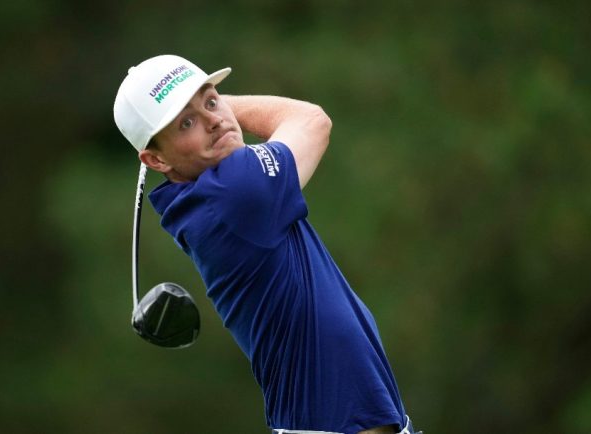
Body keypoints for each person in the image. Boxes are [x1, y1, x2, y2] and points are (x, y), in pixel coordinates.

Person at [113, 54, 421, 434]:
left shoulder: (206, 198)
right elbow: (312, 121)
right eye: (186, 123)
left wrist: (199, 107)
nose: (214, 121)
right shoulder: (236, 192)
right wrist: (221, 104)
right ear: (155, 159)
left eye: (212, 101)